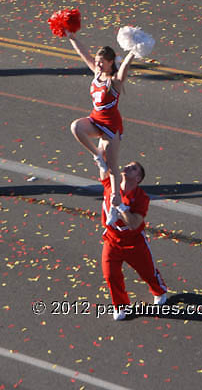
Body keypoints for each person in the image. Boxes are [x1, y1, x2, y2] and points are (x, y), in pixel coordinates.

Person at [66, 31, 135, 225]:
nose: (98, 64)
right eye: (97, 60)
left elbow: (123, 74)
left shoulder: (113, 82)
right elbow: (83, 54)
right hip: (96, 120)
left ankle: (116, 202)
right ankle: (97, 155)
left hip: (111, 127)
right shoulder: (96, 73)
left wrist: (132, 53)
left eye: (102, 61)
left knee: (111, 170)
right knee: (76, 127)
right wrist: (72, 37)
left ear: (111, 62)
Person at [99, 159, 167, 320]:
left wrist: (121, 207)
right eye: (128, 165)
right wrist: (99, 154)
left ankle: (159, 291)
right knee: (110, 275)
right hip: (112, 240)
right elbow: (103, 164)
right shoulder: (111, 183)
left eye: (134, 168)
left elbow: (134, 224)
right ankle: (121, 306)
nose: (128, 167)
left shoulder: (142, 198)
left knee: (148, 273)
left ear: (138, 178)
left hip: (134, 242)